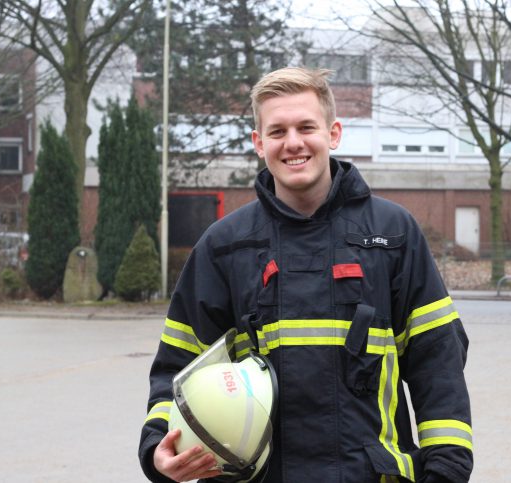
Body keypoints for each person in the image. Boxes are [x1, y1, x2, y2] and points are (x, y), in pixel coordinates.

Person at [139, 67, 473, 483]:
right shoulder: (224, 246)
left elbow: (436, 360)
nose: (293, 142)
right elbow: (178, 363)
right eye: (277, 131)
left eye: (306, 127)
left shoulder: (392, 235)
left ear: (333, 134)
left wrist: (447, 470)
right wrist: (158, 447)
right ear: (259, 143)